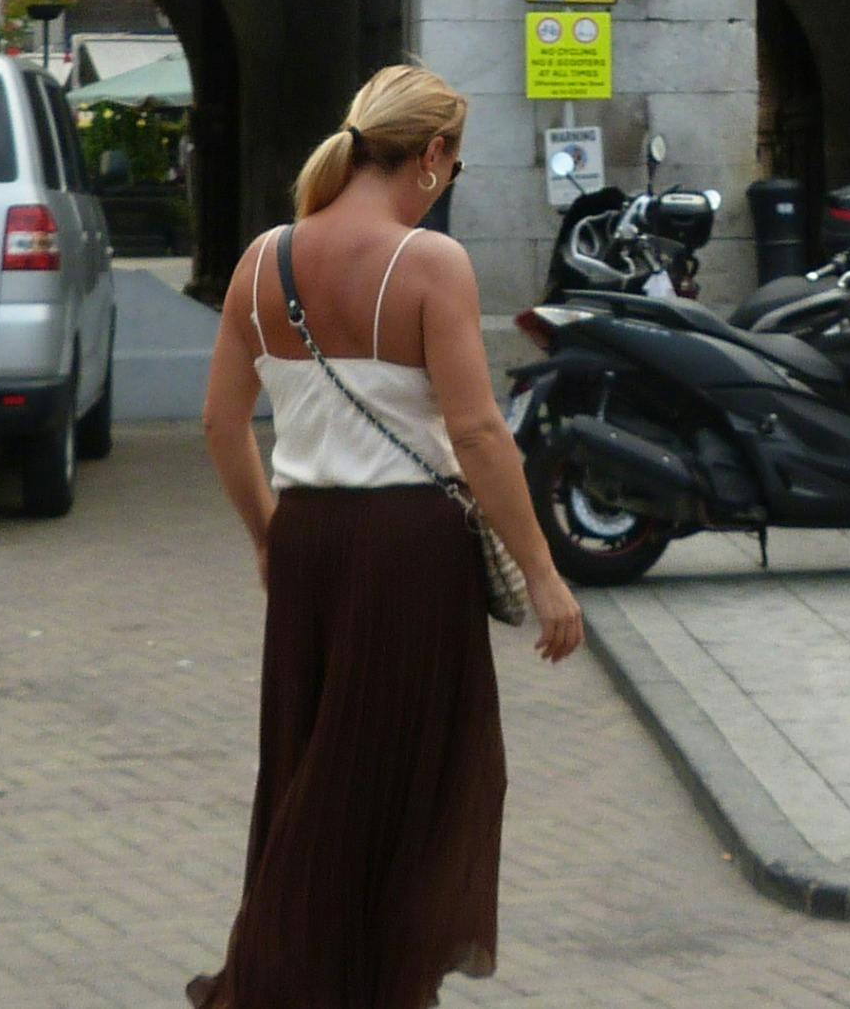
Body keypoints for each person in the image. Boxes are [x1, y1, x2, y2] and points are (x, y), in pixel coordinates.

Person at [195, 64, 587, 1007]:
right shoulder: (429, 264)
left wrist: (265, 537)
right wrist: (544, 574)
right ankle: (341, 986)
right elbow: (480, 433)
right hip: (407, 549)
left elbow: (220, 422)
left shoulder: (263, 259)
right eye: (454, 162)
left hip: (309, 544)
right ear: (434, 154)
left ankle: (305, 976)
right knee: (408, 787)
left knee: (310, 765)